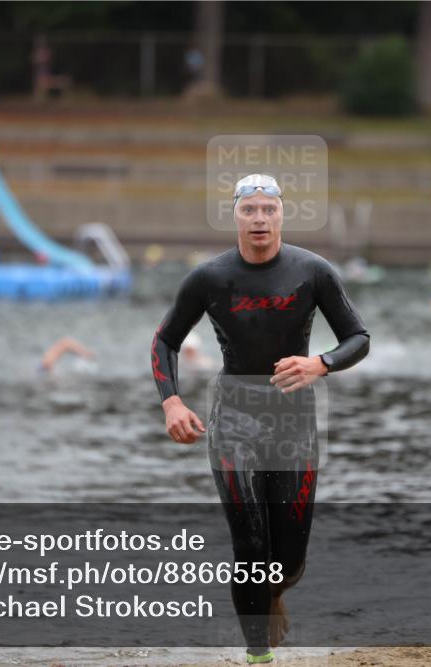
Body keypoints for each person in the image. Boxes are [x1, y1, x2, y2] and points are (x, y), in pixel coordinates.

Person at [151, 174, 370, 664]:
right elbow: (165, 339)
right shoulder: (208, 278)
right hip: (233, 419)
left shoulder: (313, 272)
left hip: (294, 421)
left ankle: (276, 593)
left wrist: (321, 363)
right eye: (250, 210)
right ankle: (257, 657)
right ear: (236, 215)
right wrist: (172, 401)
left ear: (281, 215)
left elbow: (359, 338)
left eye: (269, 210)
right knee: (250, 546)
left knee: (288, 560)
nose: (259, 219)